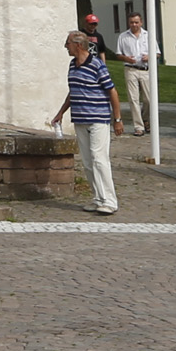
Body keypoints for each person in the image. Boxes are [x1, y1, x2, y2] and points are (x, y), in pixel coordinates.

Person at [54, 31, 121, 214]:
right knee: (87, 162)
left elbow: (112, 91)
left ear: (78, 45)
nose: (65, 46)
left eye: (67, 43)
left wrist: (117, 119)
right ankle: (98, 198)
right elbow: (73, 91)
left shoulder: (97, 65)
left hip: (98, 118)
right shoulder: (72, 65)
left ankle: (109, 200)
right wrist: (61, 112)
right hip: (80, 119)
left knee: (99, 159)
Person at [115, 12, 154, 137]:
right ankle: (139, 126)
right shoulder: (123, 36)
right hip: (130, 69)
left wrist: (149, 56)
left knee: (148, 99)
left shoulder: (148, 35)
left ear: (141, 22)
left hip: (145, 69)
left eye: (136, 22)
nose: (134, 25)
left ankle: (146, 119)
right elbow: (118, 54)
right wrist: (126, 59)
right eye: (132, 22)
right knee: (133, 99)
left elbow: (157, 53)